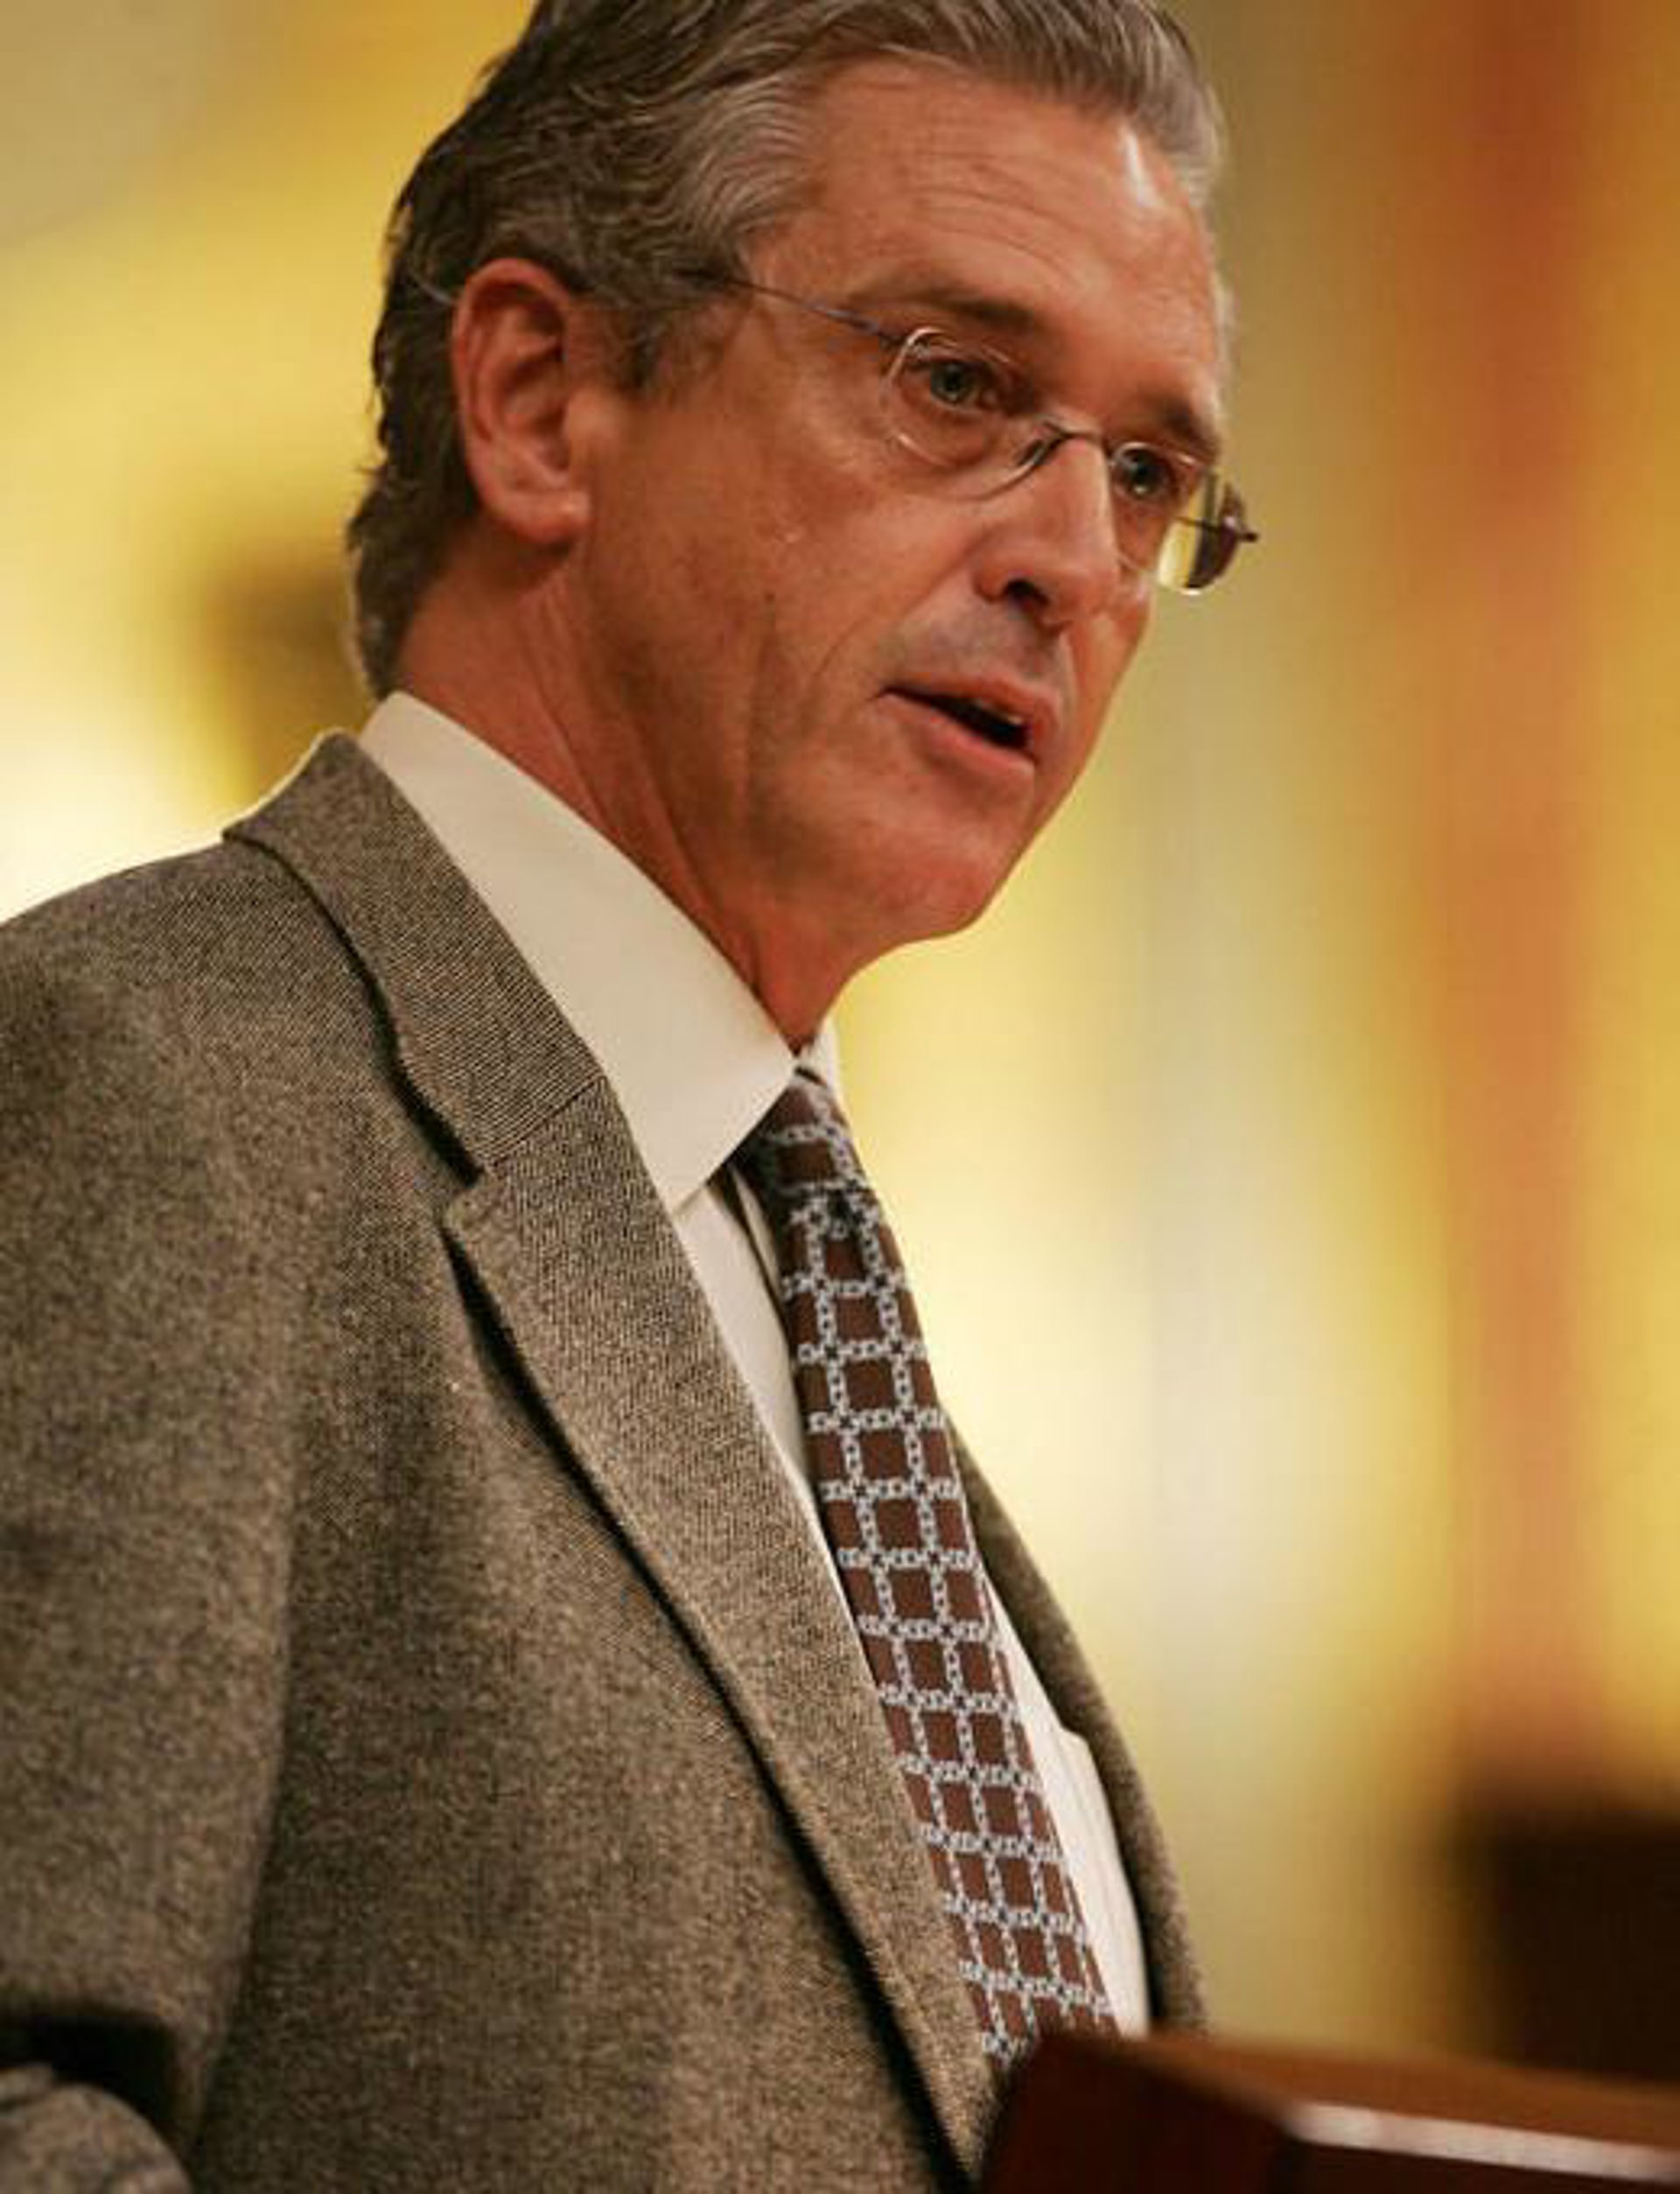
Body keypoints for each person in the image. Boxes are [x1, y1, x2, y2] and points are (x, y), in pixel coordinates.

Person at [0, 1, 1255, 2185]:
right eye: (959, 383)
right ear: (539, 399)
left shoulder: (809, 1292)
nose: (1074, 561)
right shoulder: (144, 1090)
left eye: (1148, 474)